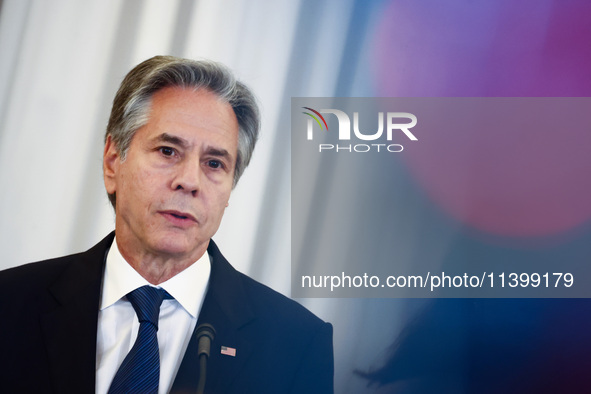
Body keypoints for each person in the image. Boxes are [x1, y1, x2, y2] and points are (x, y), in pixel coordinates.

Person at [0, 55, 334, 393]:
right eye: (168, 151)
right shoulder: (10, 304)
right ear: (113, 161)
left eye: (214, 163)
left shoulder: (296, 345)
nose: (189, 181)